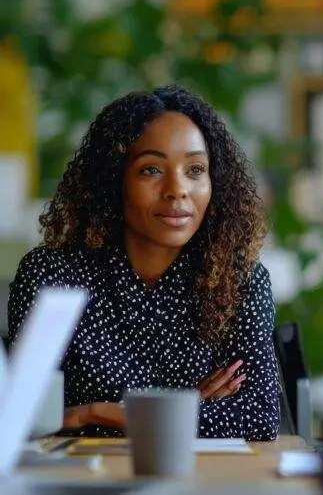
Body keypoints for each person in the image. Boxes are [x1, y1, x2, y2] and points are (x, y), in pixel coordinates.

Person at [7, 86, 280, 440]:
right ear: (114, 179)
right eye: (151, 169)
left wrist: (96, 413)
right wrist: (183, 407)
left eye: (195, 169)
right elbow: (23, 417)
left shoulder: (238, 279)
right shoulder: (51, 275)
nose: (177, 189)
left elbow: (259, 416)